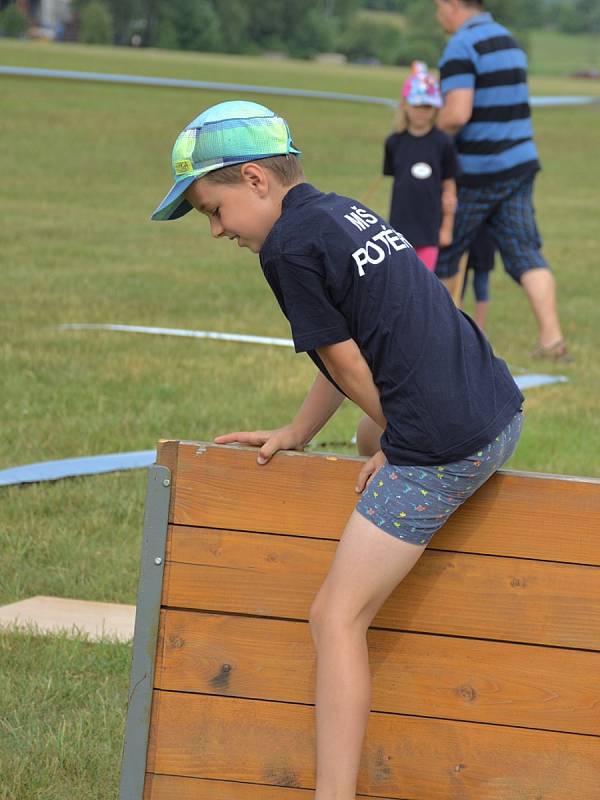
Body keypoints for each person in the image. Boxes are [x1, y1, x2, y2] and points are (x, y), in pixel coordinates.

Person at [151, 99, 524, 800]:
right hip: (497, 405)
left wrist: (408, 443)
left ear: (256, 181)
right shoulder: (336, 211)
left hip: (451, 439)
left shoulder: (288, 250)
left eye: (213, 209)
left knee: (334, 615)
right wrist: (299, 431)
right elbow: (346, 348)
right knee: (364, 436)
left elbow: (351, 368)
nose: (215, 230)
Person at [434, 0, 571, 362]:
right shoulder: (510, 41)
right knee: (526, 251)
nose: (438, 15)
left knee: (446, 249)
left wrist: (430, 135)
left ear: (452, 5)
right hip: (520, 163)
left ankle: (447, 344)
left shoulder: (462, 45)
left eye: (438, 6)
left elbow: (457, 112)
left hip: (479, 170)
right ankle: (552, 339)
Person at [384, 61, 459, 273]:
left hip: (429, 230)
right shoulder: (394, 142)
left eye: (427, 106)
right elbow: (395, 179)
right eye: (417, 105)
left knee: (424, 281)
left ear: (435, 109)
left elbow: (450, 188)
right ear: (405, 105)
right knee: (400, 279)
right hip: (399, 227)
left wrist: (446, 227)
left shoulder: (443, 143)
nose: (421, 112)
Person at [461, 223, 496, 330]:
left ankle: (479, 328)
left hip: (485, 240)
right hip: (462, 239)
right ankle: (459, 325)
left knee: (481, 285)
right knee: (459, 287)